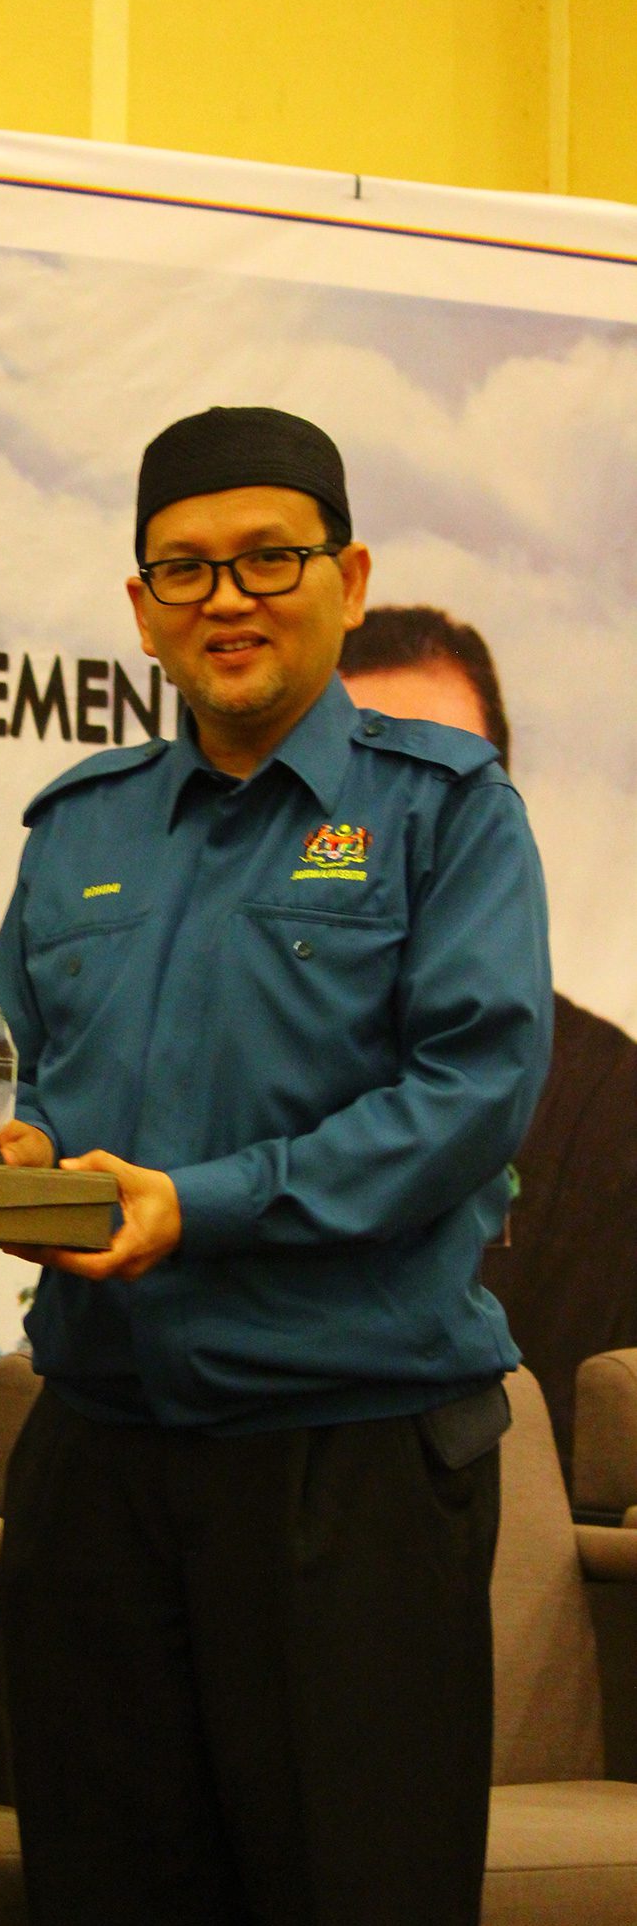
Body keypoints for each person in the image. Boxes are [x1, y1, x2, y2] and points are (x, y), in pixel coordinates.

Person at [0, 407, 552, 1926]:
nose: (226, 598)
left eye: (267, 559)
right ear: (141, 607)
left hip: (347, 1469)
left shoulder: (447, 813)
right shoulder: (78, 827)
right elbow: (9, 1079)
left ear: (346, 579)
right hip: (102, 1463)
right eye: (184, 569)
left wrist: (202, 1204)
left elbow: (467, 1094)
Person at [339, 603, 637, 1478]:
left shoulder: (609, 1100)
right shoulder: (209, 1064)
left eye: (441, 777)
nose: (400, 817)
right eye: (357, 776)